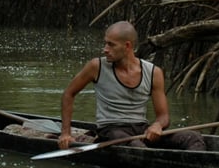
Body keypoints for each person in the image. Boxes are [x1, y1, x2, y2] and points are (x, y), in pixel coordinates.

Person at [58, 21, 205, 151]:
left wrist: (157, 126)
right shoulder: (96, 66)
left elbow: (163, 116)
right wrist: (66, 133)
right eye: (105, 43)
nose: (105, 49)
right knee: (135, 147)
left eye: (111, 44)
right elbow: (68, 94)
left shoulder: (154, 72)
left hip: (141, 130)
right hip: (111, 131)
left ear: (127, 46)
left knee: (193, 138)